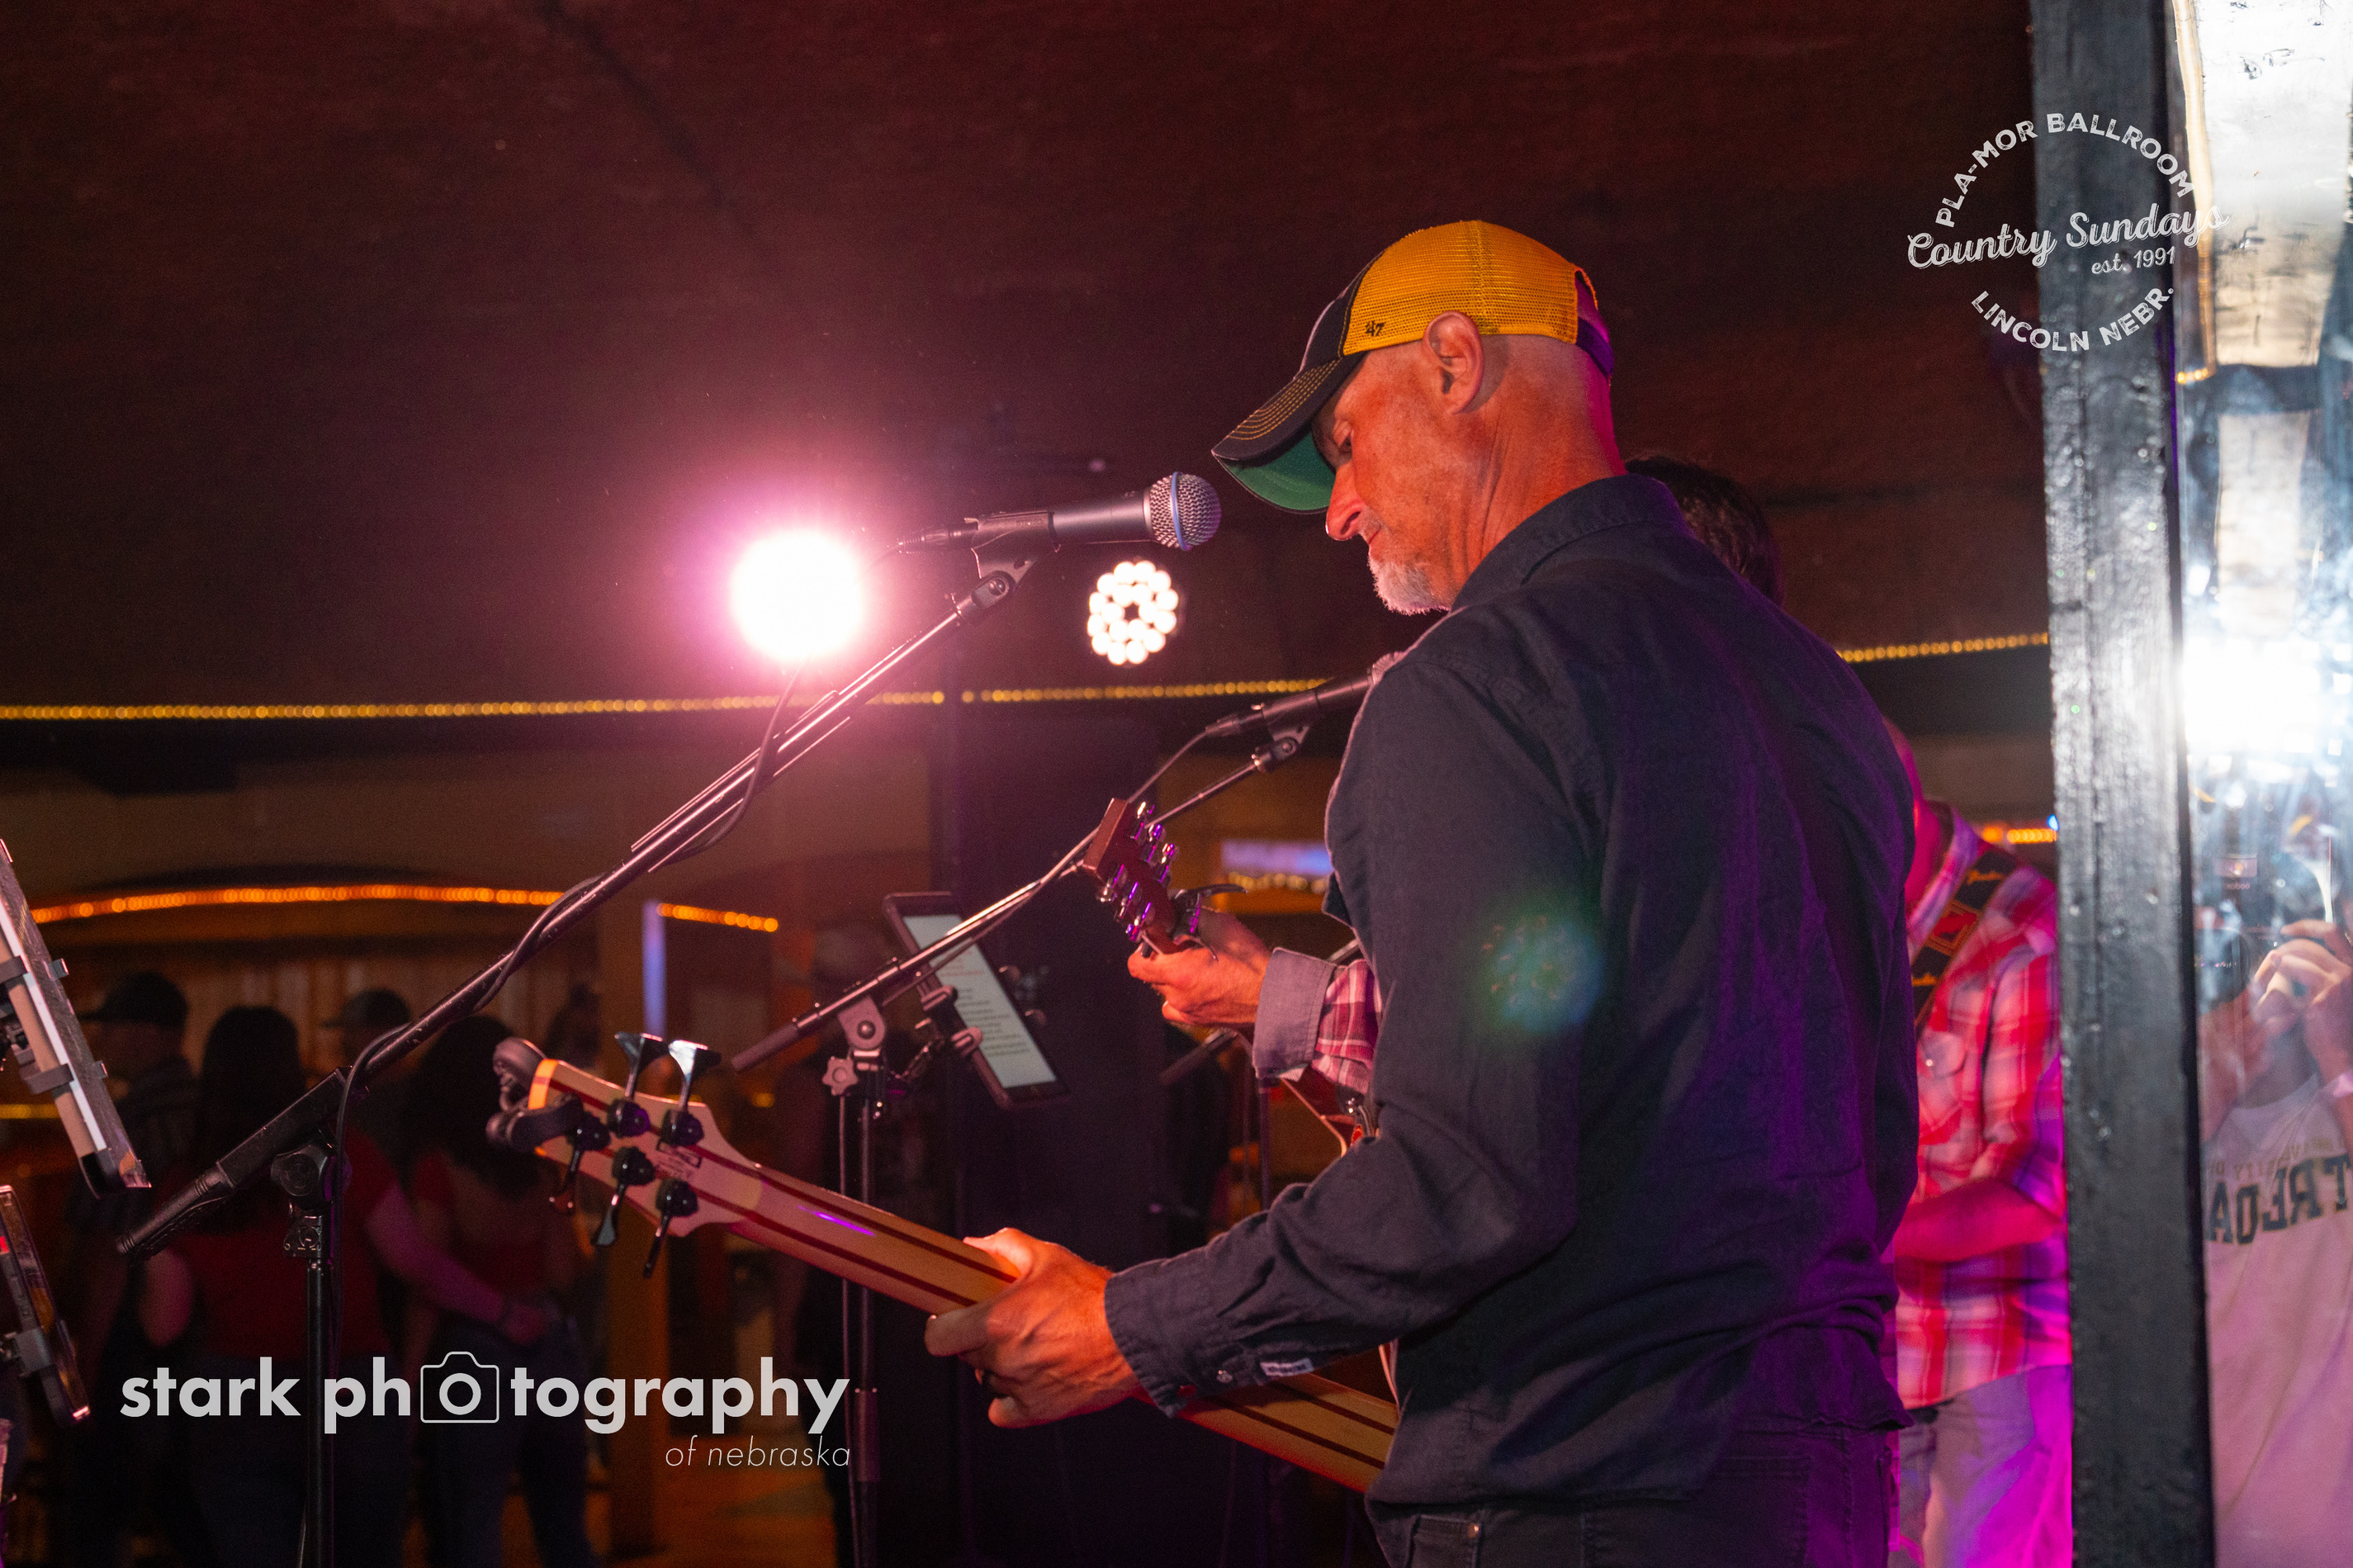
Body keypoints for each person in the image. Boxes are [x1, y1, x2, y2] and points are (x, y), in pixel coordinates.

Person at [923, 220, 1916, 1564]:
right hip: (1820, 1480)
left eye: (1344, 442)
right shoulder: (1815, 685)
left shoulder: (1476, 683)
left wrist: (1130, 1322)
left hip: (1578, 1493)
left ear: (1455, 362)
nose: (1338, 509)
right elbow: (1866, 1138)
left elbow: (1469, 1175)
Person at [137, 1006, 547, 1568]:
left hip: (236, 1393)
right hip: (352, 1383)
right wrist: (502, 1311)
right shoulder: (343, 1155)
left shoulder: (188, 1187)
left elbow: (165, 1323)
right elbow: (414, 1261)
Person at [1880, 722, 2069, 1567]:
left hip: (1998, 1355)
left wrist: (1850, 1234)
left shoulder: (2018, 930)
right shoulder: (1849, 922)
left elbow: (2033, 1189)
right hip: (1880, 1355)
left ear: (1900, 809)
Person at [401, 1015, 597, 1568]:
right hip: (550, 1341)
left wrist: (410, 1383)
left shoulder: (438, 1167)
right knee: (566, 1531)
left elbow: (429, 1277)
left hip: (473, 1349)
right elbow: (564, 1269)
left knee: (473, 1530)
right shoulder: (545, 1161)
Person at [2194, 894, 2353, 1566]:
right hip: (2197, 1529)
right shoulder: (2190, 1113)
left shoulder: (2341, 1102)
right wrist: (2195, 1093)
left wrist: (2342, 1058)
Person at [59, 969, 211, 1568]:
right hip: (203, 1331)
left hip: (129, 1335)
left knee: (100, 1505)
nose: (103, 1040)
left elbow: (107, 1253)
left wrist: (85, 1361)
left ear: (150, 1032)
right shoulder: (206, 1111)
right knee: (189, 1506)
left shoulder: (128, 1123)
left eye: (114, 1026)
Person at [325, 987, 417, 1172]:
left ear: (383, 1034)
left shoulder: (417, 1101)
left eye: (352, 1030)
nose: (343, 1041)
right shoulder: (348, 1097)